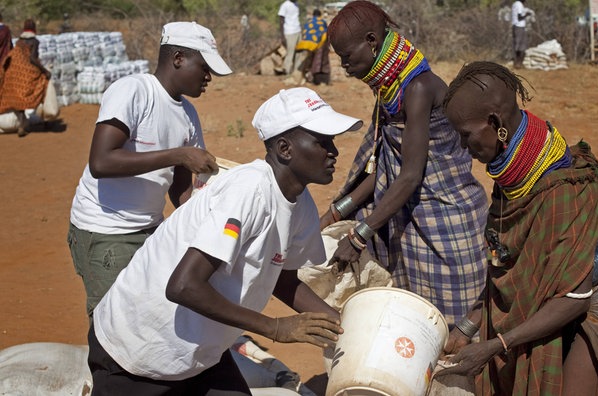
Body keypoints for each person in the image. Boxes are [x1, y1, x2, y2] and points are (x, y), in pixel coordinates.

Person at [88, 87, 361, 394]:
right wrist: (276, 328)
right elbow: (183, 285)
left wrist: (342, 323)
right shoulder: (248, 192)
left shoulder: (301, 206)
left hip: (198, 352)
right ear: (285, 148)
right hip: (139, 350)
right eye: (322, 142)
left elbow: (281, 276)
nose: (334, 151)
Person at [436, 61, 598, 395]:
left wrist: (497, 344)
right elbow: (504, 263)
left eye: (465, 135)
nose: (464, 147)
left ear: (495, 124)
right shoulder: (511, 174)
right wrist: (466, 328)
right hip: (548, 308)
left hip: (595, 309)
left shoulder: (561, 188)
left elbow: (575, 297)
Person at [322, 1, 489, 325]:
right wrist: (335, 212)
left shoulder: (418, 88)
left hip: (447, 223)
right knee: (416, 322)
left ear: (371, 41)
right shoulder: (390, 89)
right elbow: (387, 167)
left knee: (452, 327)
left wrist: (359, 236)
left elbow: (410, 175)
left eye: (347, 56)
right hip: (411, 219)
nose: (344, 66)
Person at [67, 21, 231, 317]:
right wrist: (178, 155)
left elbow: (180, 188)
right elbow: (101, 162)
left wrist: (207, 220)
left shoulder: (188, 115)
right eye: (204, 67)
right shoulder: (133, 91)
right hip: (106, 230)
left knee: (154, 315)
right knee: (114, 322)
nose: (209, 77)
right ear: (178, 58)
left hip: (150, 229)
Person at [0, 19, 52, 137]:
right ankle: (45, 118)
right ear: (34, 29)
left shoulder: (19, 41)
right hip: (27, 72)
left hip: (15, 72)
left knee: (19, 100)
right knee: (42, 85)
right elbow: (33, 59)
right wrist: (44, 71)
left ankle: (22, 125)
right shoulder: (34, 41)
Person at [296, 9, 331, 85]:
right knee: (319, 61)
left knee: (311, 60)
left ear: (313, 15)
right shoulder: (322, 22)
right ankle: (319, 80)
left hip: (307, 44)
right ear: (320, 15)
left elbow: (305, 33)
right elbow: (325, 33)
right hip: (319, 44)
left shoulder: (309, 22)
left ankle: (310, 78)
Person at [278, 0, 302, 76]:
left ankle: (296, 72)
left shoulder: (296, 4)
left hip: (298, 30)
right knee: (290, 52)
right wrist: (282, 36)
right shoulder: (285, 5)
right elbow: (281, 21)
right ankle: (287, 71)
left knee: (299, 52)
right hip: (289, 32)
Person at [511, 0, 533, 69]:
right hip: (519, 26)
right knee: (520, 45)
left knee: (517, 44)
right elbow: (519, 17)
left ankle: (518, 62)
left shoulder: (515, 4)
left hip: (516, 26)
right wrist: (527, 14)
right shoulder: (519, 4)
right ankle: (517, 63)